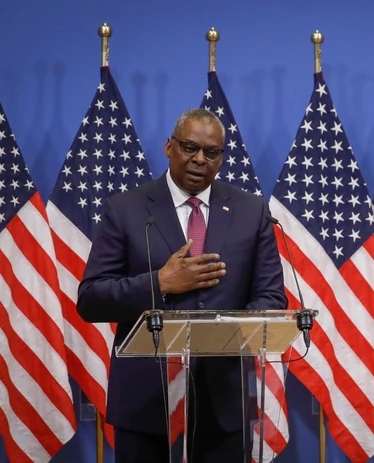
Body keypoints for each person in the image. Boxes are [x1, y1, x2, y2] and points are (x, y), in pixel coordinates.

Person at [77, 108, 287, 462]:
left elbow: (271, 297)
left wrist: (223, 335)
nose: (199, 159)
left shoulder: (251, 211)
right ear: (169, 147)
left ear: (221, 158)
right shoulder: (126, 209)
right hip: (146, 405)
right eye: (189, 147)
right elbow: (91, 299)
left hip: (224, 405)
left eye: (211, 152)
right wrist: (161, 282)